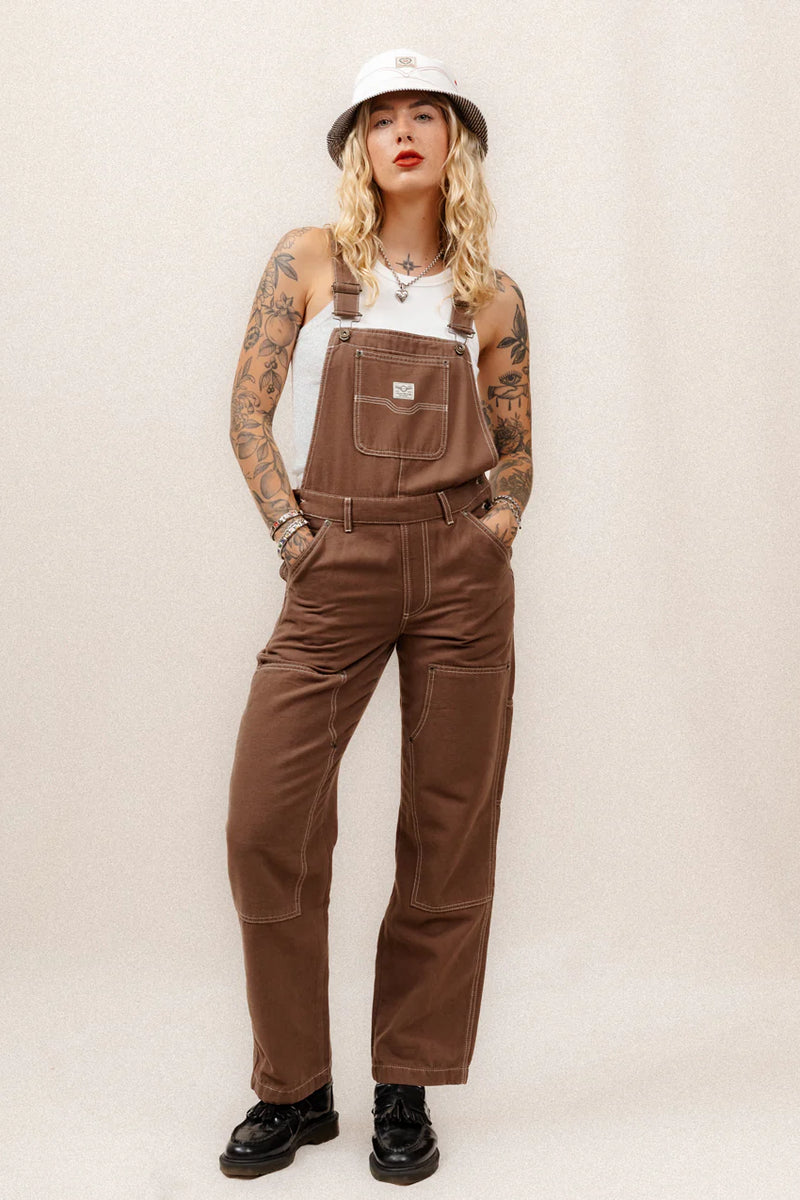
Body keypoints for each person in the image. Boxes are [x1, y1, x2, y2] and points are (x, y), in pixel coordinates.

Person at [219, 47, 532, 1185]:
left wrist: (491, 533)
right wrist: (293, 536)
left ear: (455, 142)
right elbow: (248, 413)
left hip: (458, 573)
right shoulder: (309, 259)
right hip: (333, 560)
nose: (404, 131)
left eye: (425, 114)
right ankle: (294, 1088)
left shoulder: (491, 295)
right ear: (360, 144)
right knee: (266, 826)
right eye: (382, 115)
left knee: (447, 831)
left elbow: (517, 451)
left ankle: (405, 1083)